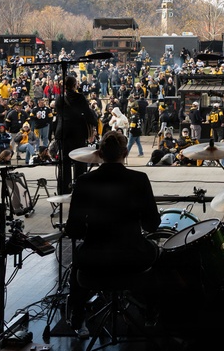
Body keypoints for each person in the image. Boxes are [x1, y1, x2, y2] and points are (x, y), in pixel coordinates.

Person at [65, 131, 161, 337]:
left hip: (95, 261)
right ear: (125, 152)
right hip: (132, 258)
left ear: (99, 153)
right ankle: (151, 312)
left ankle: (78, 316)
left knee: (78, 260)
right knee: (158, 254)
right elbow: (152, 225)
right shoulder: (139, 179)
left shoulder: (84, 181)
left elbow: (74, 229)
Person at [55, 75, 98, 194]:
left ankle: (64, 189)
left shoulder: (59, 98)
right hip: (77, 134)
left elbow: (59, 116)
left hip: (63, 133)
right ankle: (79, 188)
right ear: (75, 85)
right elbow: (87, 113)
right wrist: (95, 123)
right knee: (80, 161)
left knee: (65, 163)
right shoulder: (79, 97)